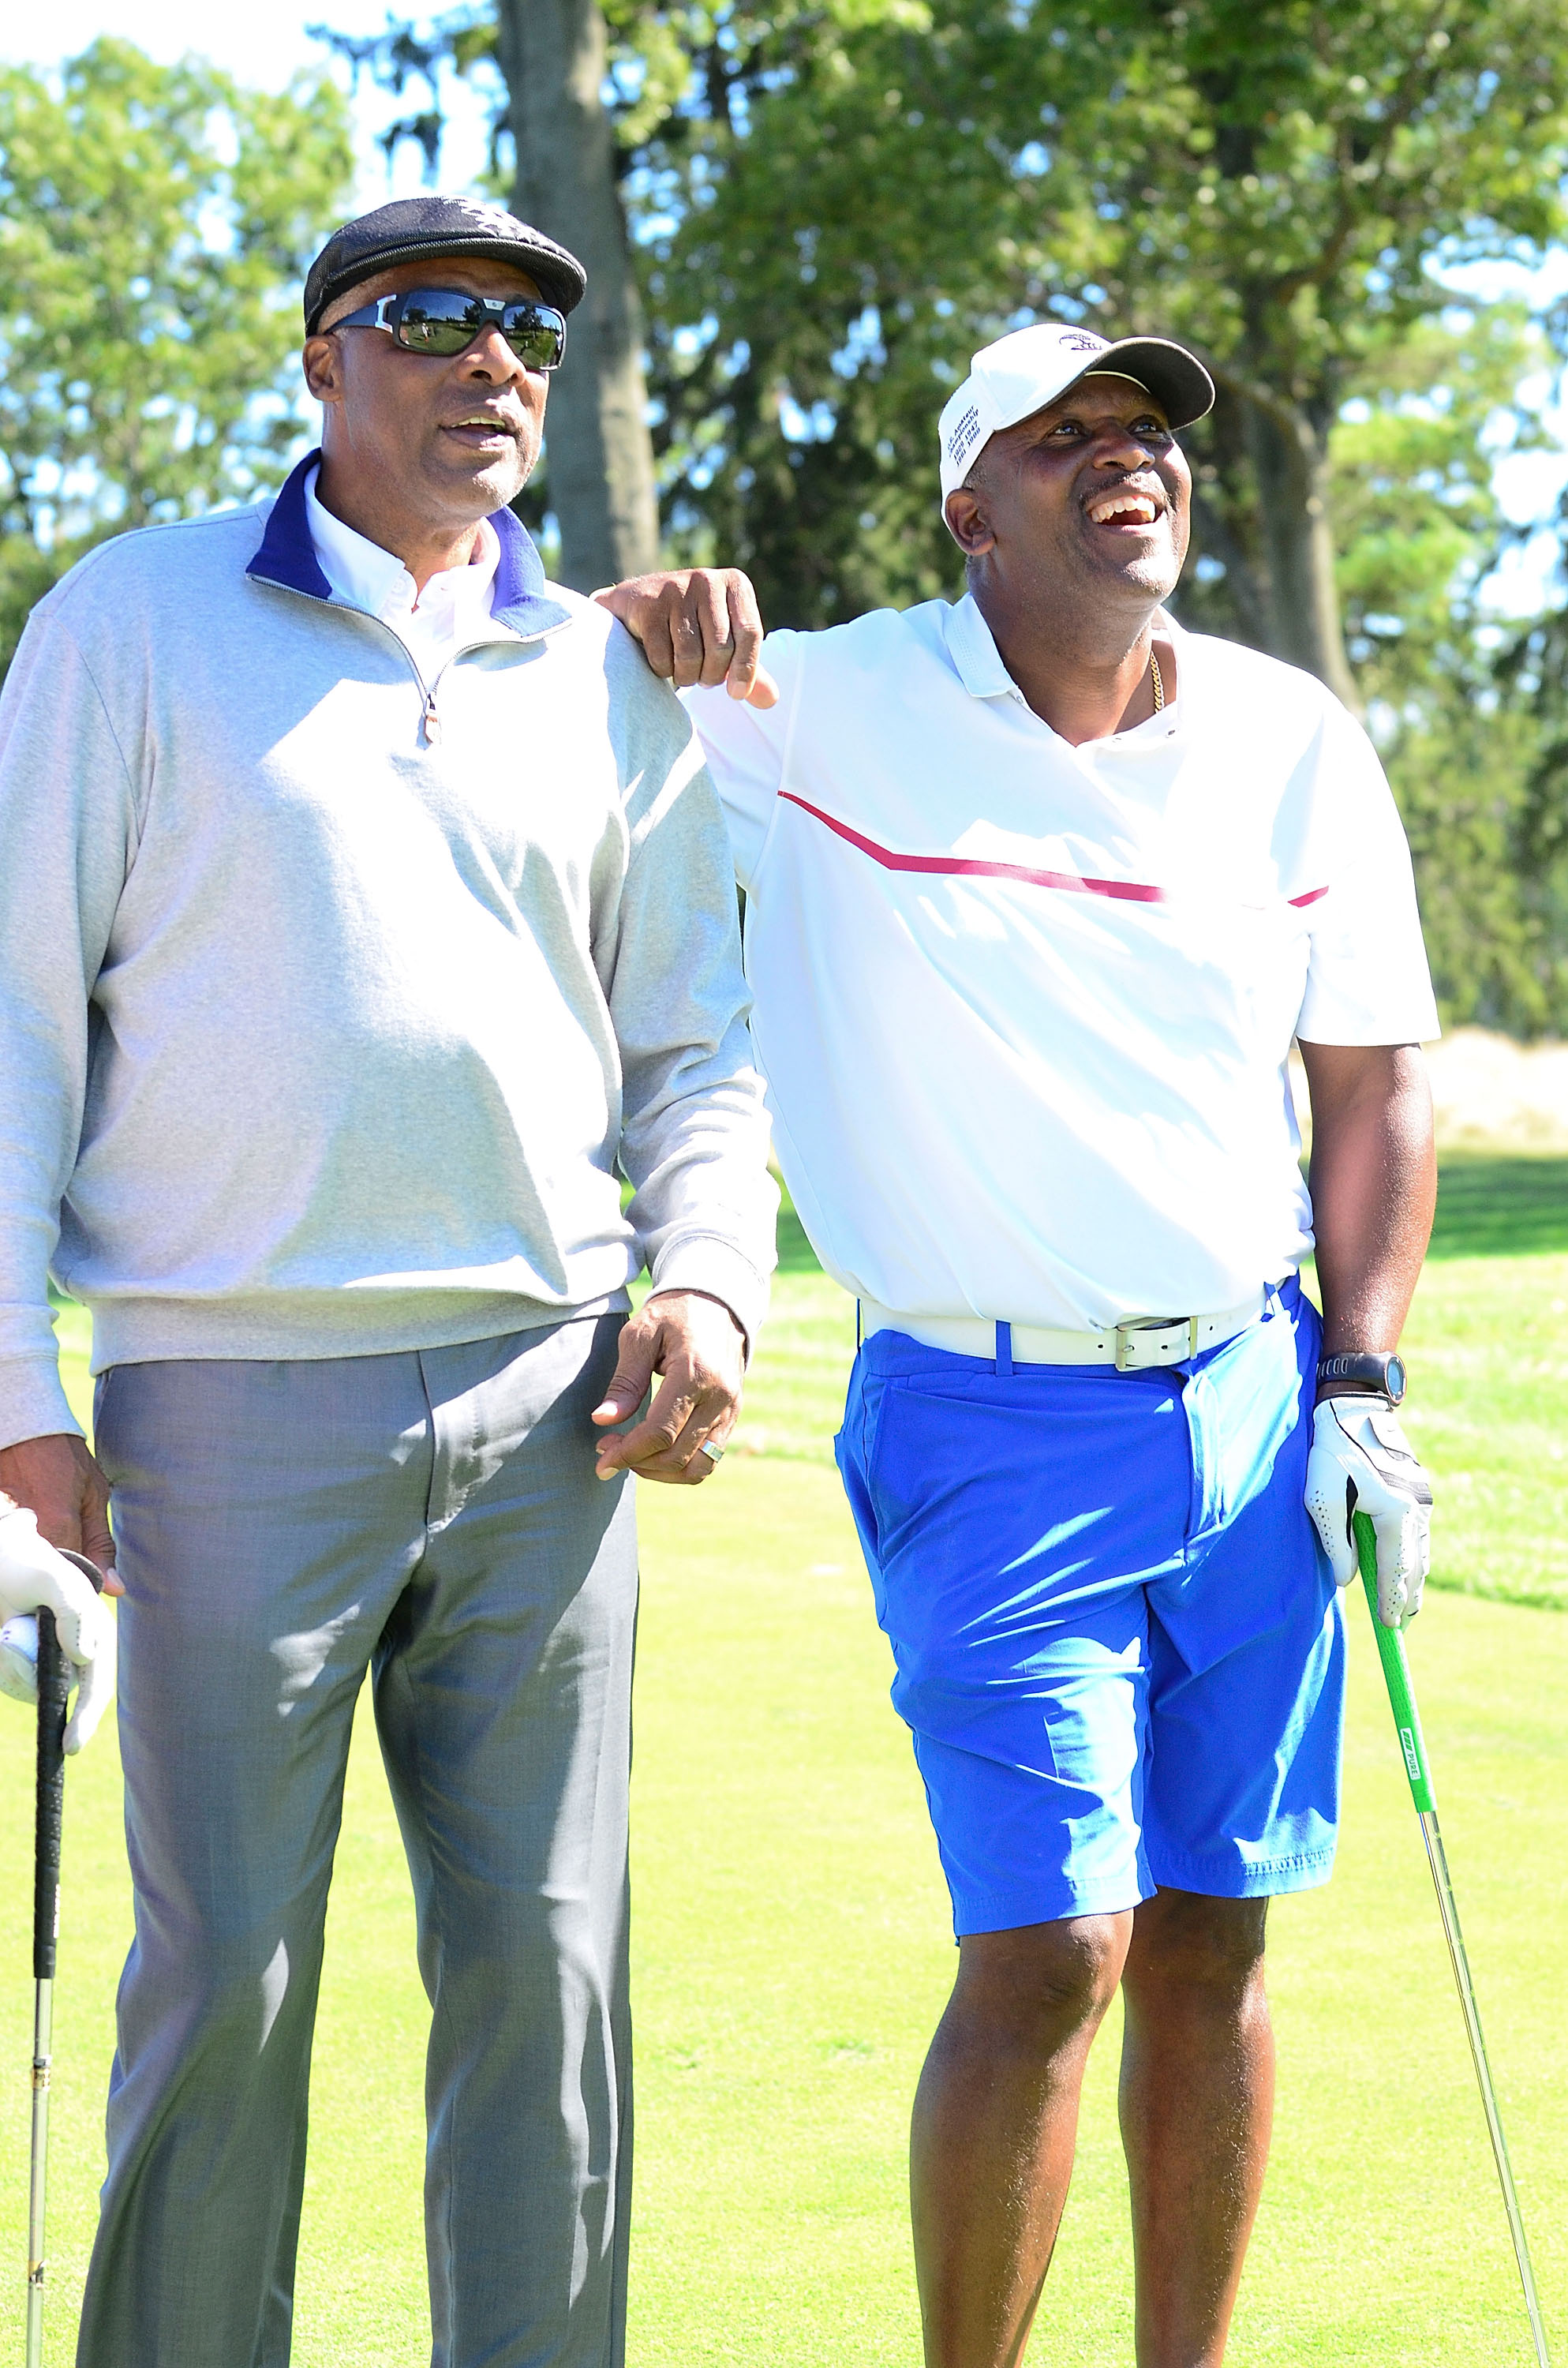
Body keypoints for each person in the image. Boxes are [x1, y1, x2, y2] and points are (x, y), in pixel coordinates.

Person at [598, 319, 1438, 2368]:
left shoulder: (1282, 732)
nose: (1120, 458)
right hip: (980, 1409)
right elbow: (599, 685)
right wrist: (638, 621)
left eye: (1143, 431)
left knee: (1215, 1933)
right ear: (971, 509)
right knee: (1055, 1944)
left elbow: (1373, 1085)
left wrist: (1360, 1389)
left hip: (1253, 1403)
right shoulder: (834, 699)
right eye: (1061, 440)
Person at [0, 195, 776, 2368]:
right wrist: (16, 1396)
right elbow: (10, 1030)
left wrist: (707, 1281)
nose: (489, 359)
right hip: (223, 1399)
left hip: (556, 1404)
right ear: (322, 361)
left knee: (548, 1986)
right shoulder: (131, 622)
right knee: (225, 1975)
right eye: (429, 318)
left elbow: (698, 1044)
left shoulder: (605, 672)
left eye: (524, 326)